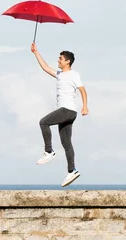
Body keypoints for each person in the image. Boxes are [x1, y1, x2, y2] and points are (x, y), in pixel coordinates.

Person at [31, 42, 88, 187]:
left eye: (60, 58)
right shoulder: (59, 75)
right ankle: (72, 170)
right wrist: (36, 52)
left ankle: (48, 151)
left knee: (43, 122)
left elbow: (82, 90)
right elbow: (45, 67)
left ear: (67, 61)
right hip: (69, 112)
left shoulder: (74, 74)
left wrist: (85, 107)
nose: (58, 60)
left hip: (67, 110)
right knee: (66, 142)